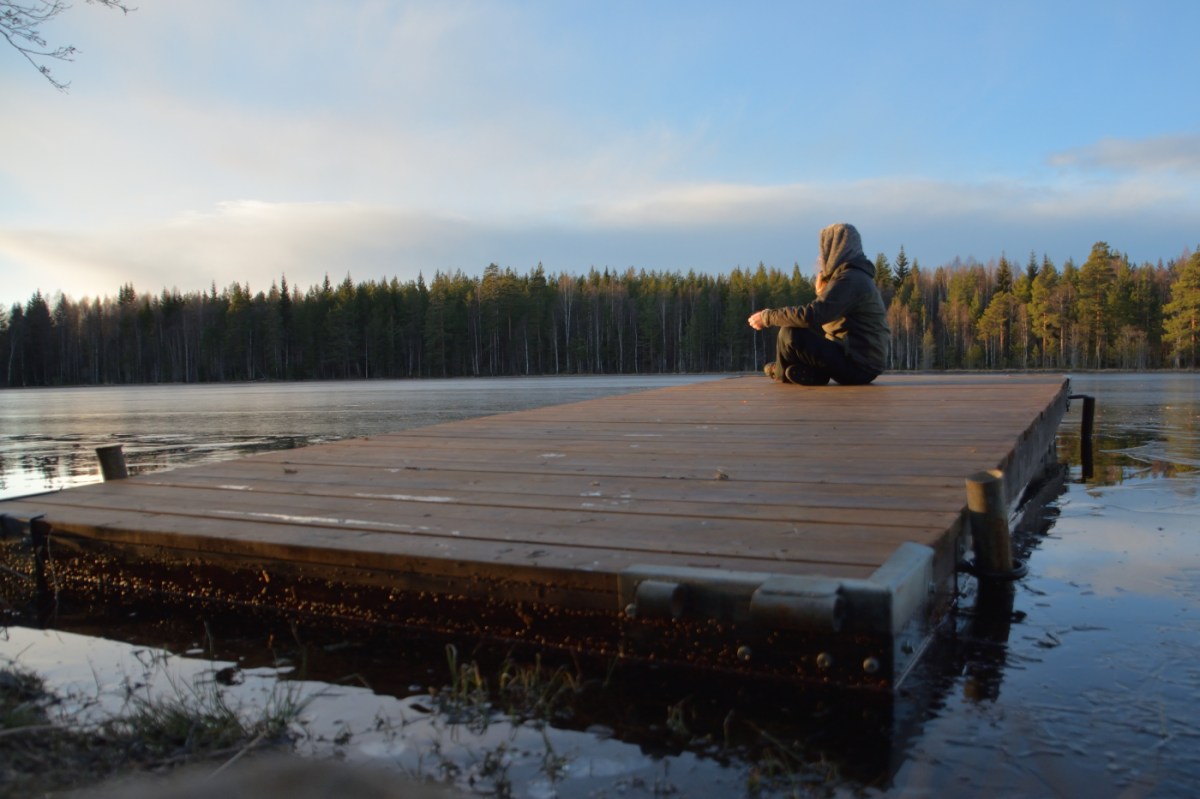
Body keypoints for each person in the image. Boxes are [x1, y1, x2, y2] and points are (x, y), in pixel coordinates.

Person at [747, 222, 889, 385]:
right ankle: (811, 374)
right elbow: (828, 321)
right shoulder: (855, 277)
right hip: (858, 362)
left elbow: (812, 315)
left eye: (824, 250)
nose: (820, 258)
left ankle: (779, 372)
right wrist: (823, 292)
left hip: (859, 367)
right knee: (796, 331)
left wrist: (767, 317)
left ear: (836, 249)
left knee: (790, 333)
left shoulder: (850, 279)